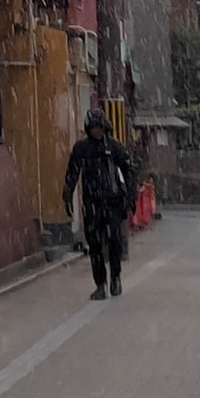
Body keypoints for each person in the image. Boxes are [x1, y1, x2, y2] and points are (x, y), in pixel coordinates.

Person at [62, 106, 137, 298]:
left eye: (99, 127)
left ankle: (115, 278)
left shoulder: (113, 146)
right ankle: (100, 284)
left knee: (114, 243)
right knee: (95, 246)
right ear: (89, 128)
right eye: (94, 127)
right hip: (92, 204)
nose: (97, 131)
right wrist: (68, 195)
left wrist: (131, 196)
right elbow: (72, 174)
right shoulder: (81, 149)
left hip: (113, 203)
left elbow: (129, 170)